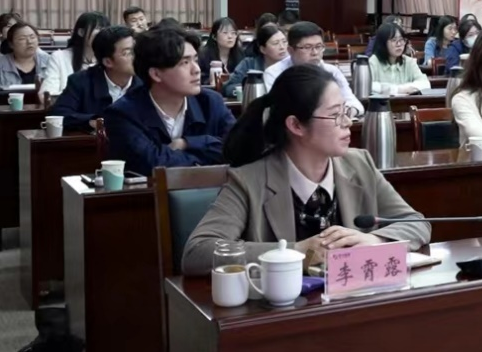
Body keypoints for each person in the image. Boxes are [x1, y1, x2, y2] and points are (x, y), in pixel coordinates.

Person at [181, 64, 430, 277]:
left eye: (346, 111)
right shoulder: (248, 180)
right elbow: (197, 252)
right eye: (335, 115)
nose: (348, 122)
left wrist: (375, 240)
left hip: (354, 302)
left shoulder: (359, 164)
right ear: (296, 125)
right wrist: (295, 252)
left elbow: (416, 223)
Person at [102, 27, 236, 174]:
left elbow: (239, 149)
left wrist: (187, 143)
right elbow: (153, 164)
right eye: (185, 62)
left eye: (195, 60)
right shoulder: (122, 114)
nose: (196, 69)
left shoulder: (210, 102)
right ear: (156, 74)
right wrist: (207, 156)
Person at [263, 21, 364, 116]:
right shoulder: (274, 73)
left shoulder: (332, 71)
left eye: (319, 46)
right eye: (307, 47)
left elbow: (355, 103)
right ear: (290, 50)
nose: (315, 53)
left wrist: (348, 111)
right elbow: (274, 111)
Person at [50, 25, 138, 131]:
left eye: (136, 50)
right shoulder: (81, 81)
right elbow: (59, 115)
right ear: (108, 62)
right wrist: (93, 121)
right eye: (128, 53)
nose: (137, 56)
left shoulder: (147, 82)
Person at [42, 11, 109, 97]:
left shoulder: (109, 60)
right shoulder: (59, 57)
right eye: (98, 29)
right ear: (81, 32)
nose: (103, 35)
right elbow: (48, 94)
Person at [222, 23, 289, 98]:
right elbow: (228, 88)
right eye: (275, 43)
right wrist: (250, 89)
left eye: (284, 41)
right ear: (263, 49)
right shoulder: (248, 64)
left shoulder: (292, 63)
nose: (282, 47)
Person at [368, 22, 431, 94]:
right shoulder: (373, 62)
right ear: (383, 43)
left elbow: (425, 84)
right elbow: (368, 86)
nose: (399, 44)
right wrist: (397, 90)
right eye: (394, 40)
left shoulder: (409, 62)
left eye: (401, 40)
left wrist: (405, 88)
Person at [0, 22, 51, 88]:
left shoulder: (50, 61)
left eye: (32, 37)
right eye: (22, 39)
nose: (29, 42)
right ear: (11, 44)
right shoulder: (0, 64)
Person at [198, 17, 247, 84]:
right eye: (225, 33)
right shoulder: (203, 55)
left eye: (233, 33)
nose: (230, 36)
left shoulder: (241, 54)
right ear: (214, 36)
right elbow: (200, 78)